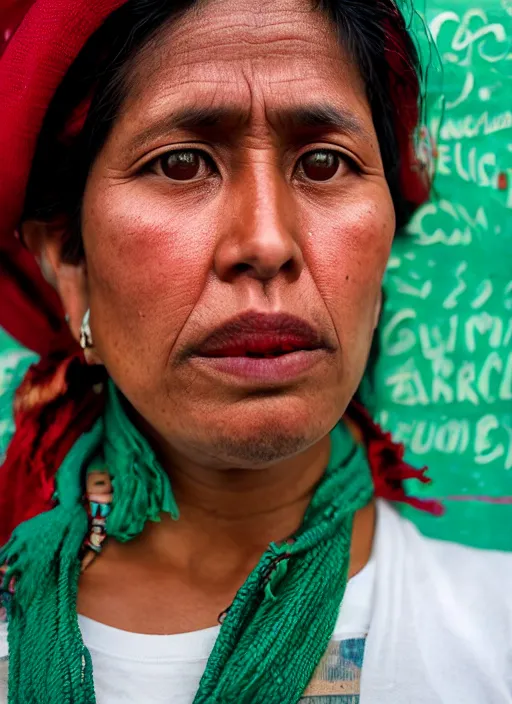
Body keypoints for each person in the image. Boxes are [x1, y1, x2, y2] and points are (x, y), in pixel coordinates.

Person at [0, 0, 510, 702]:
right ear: (68, 260)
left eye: (325, 163)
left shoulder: (493, 639)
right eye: (181, 163)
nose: (267, 242)